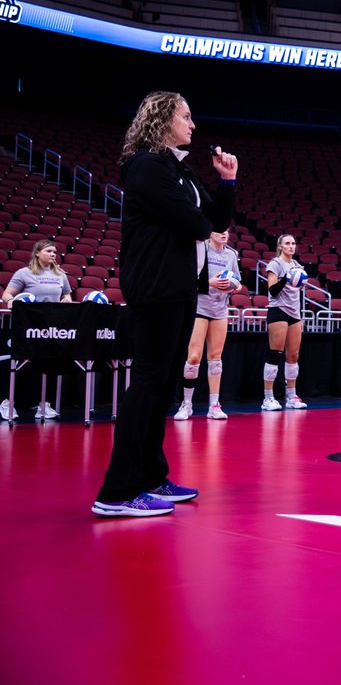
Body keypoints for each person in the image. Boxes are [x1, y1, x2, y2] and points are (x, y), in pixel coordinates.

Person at [93, 91, 237, 518]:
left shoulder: (180, 170)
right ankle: (116, 492)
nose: (193, 125)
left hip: (180, 289)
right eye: (186, 117)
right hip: (155, 287)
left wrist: (227, 182)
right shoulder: (146, 166)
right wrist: (205, 222)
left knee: (162, 388)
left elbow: (217, 221)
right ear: (162, 119)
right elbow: (196, 224)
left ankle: (151, 476)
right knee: (147, 386)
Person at [174, 228, 243, 421]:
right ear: (210, 233)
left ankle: (214, 405)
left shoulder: (231, 254)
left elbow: (238, 281)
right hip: (199, 308)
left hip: (220, 310)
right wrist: (209, 282)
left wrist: (235, 286)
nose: (224, 234)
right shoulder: (200, 249)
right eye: (220, 231)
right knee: (194, 357)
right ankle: (187, 404)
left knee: (215, 358)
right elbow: (186, 278)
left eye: (227, 231)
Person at [1, 238, 73, 420]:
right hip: (29, 326)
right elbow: (7, 294)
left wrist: (66, 299)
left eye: (54, 252)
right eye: (49, 251)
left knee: (48, 364)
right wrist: (11, 301)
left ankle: (44, 405)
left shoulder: (60, 274)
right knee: (22, 365)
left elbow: (67, 295)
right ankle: (7, 403)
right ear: (37, 253)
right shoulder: (24, 273)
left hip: (52, 327)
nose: (53, 254)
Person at [263, 234, 307, 411]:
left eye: (293, 243)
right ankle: (268, 397)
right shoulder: (275, 263)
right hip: (278, 310)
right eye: (287, 243)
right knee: (275, 353)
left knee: (293, 356)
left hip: (294, 312)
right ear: (280, 246)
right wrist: (287, 277)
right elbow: (273, 290)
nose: (291, 246)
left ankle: (291, 396)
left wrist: (298, 276)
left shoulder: (296, 265)